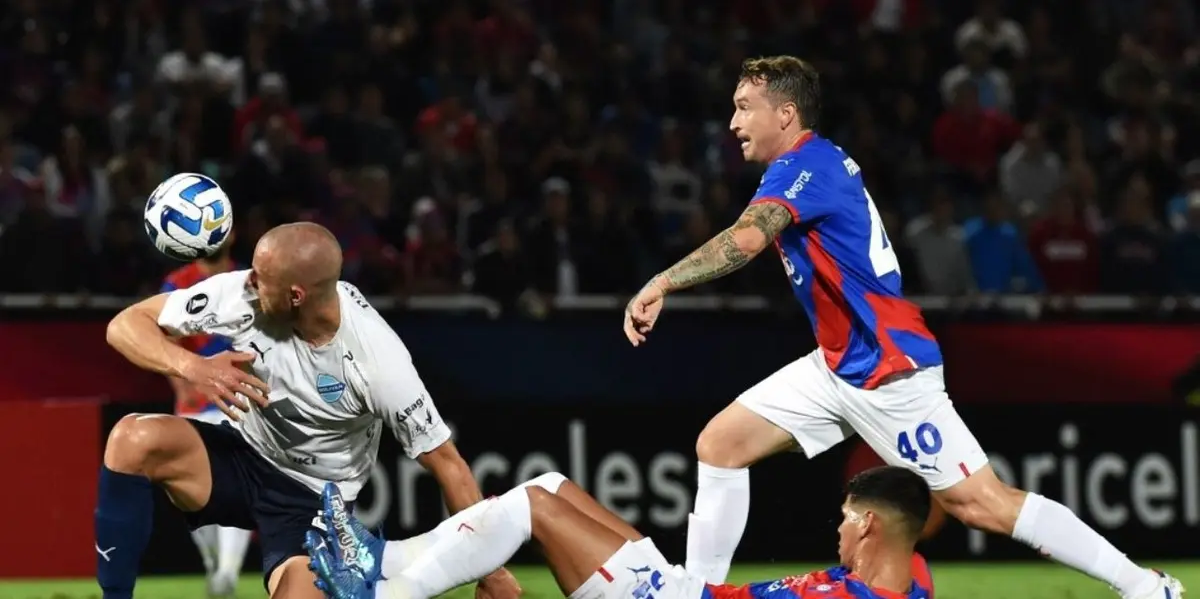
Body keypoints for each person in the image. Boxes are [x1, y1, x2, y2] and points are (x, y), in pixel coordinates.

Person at [621, 56, 1184, 599]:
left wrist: (662, 282)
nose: (733, 122)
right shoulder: (805, 166)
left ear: (786, 113)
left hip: (887, 369)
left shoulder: (804, 166)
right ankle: (696, 593)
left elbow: (746, 239)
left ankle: (1143, 585)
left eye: (745, 107)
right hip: (838, 361)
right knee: (720, 444)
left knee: (982, 502)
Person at [95, 222, 520, 599]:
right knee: (132, 439)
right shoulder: (243, 294)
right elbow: (125, 326)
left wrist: (491, 569)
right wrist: (193, 367)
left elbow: (448, 463)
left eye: (262, 280)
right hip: (243, 454)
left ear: (296, 295)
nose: (248, 284)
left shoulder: (378, 362)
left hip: (314, 505)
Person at [305, 466, 936, 599]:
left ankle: (387, 595)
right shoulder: (910, 581)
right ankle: (384, 556)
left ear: (872, 525)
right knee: (550, 483)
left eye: (848, 520)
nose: (839, 531)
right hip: (687, 590)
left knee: (531, 506)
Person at [160, 239, 253, 597]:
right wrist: (180, 385)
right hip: (195, 402)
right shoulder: (177, 282)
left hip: (237, 399)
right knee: (187, 489)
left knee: (239, 487)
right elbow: (163, 339)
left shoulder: (248, 279)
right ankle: (213, 563)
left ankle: (227, 573)